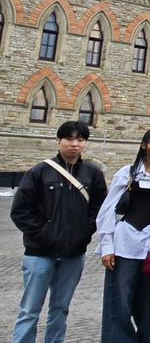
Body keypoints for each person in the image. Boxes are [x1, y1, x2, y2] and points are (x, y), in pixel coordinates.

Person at [11, 121, 108, 343]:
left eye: (80, 139)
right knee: (29, 310)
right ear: (58, 141)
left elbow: (100, 209)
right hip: (39, 254)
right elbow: (20, 211)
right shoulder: (39, 172)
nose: (74, 144)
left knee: (60, 308)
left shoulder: (93, 174)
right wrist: (44, 234)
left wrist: (84, 231)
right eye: (69, 139)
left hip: (73, 254)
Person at [97, 127, 150, 343]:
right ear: (144, 145)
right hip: (127, 244)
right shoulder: (128, 173)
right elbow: (107, 210)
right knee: (120, 302)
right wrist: (107, 247)